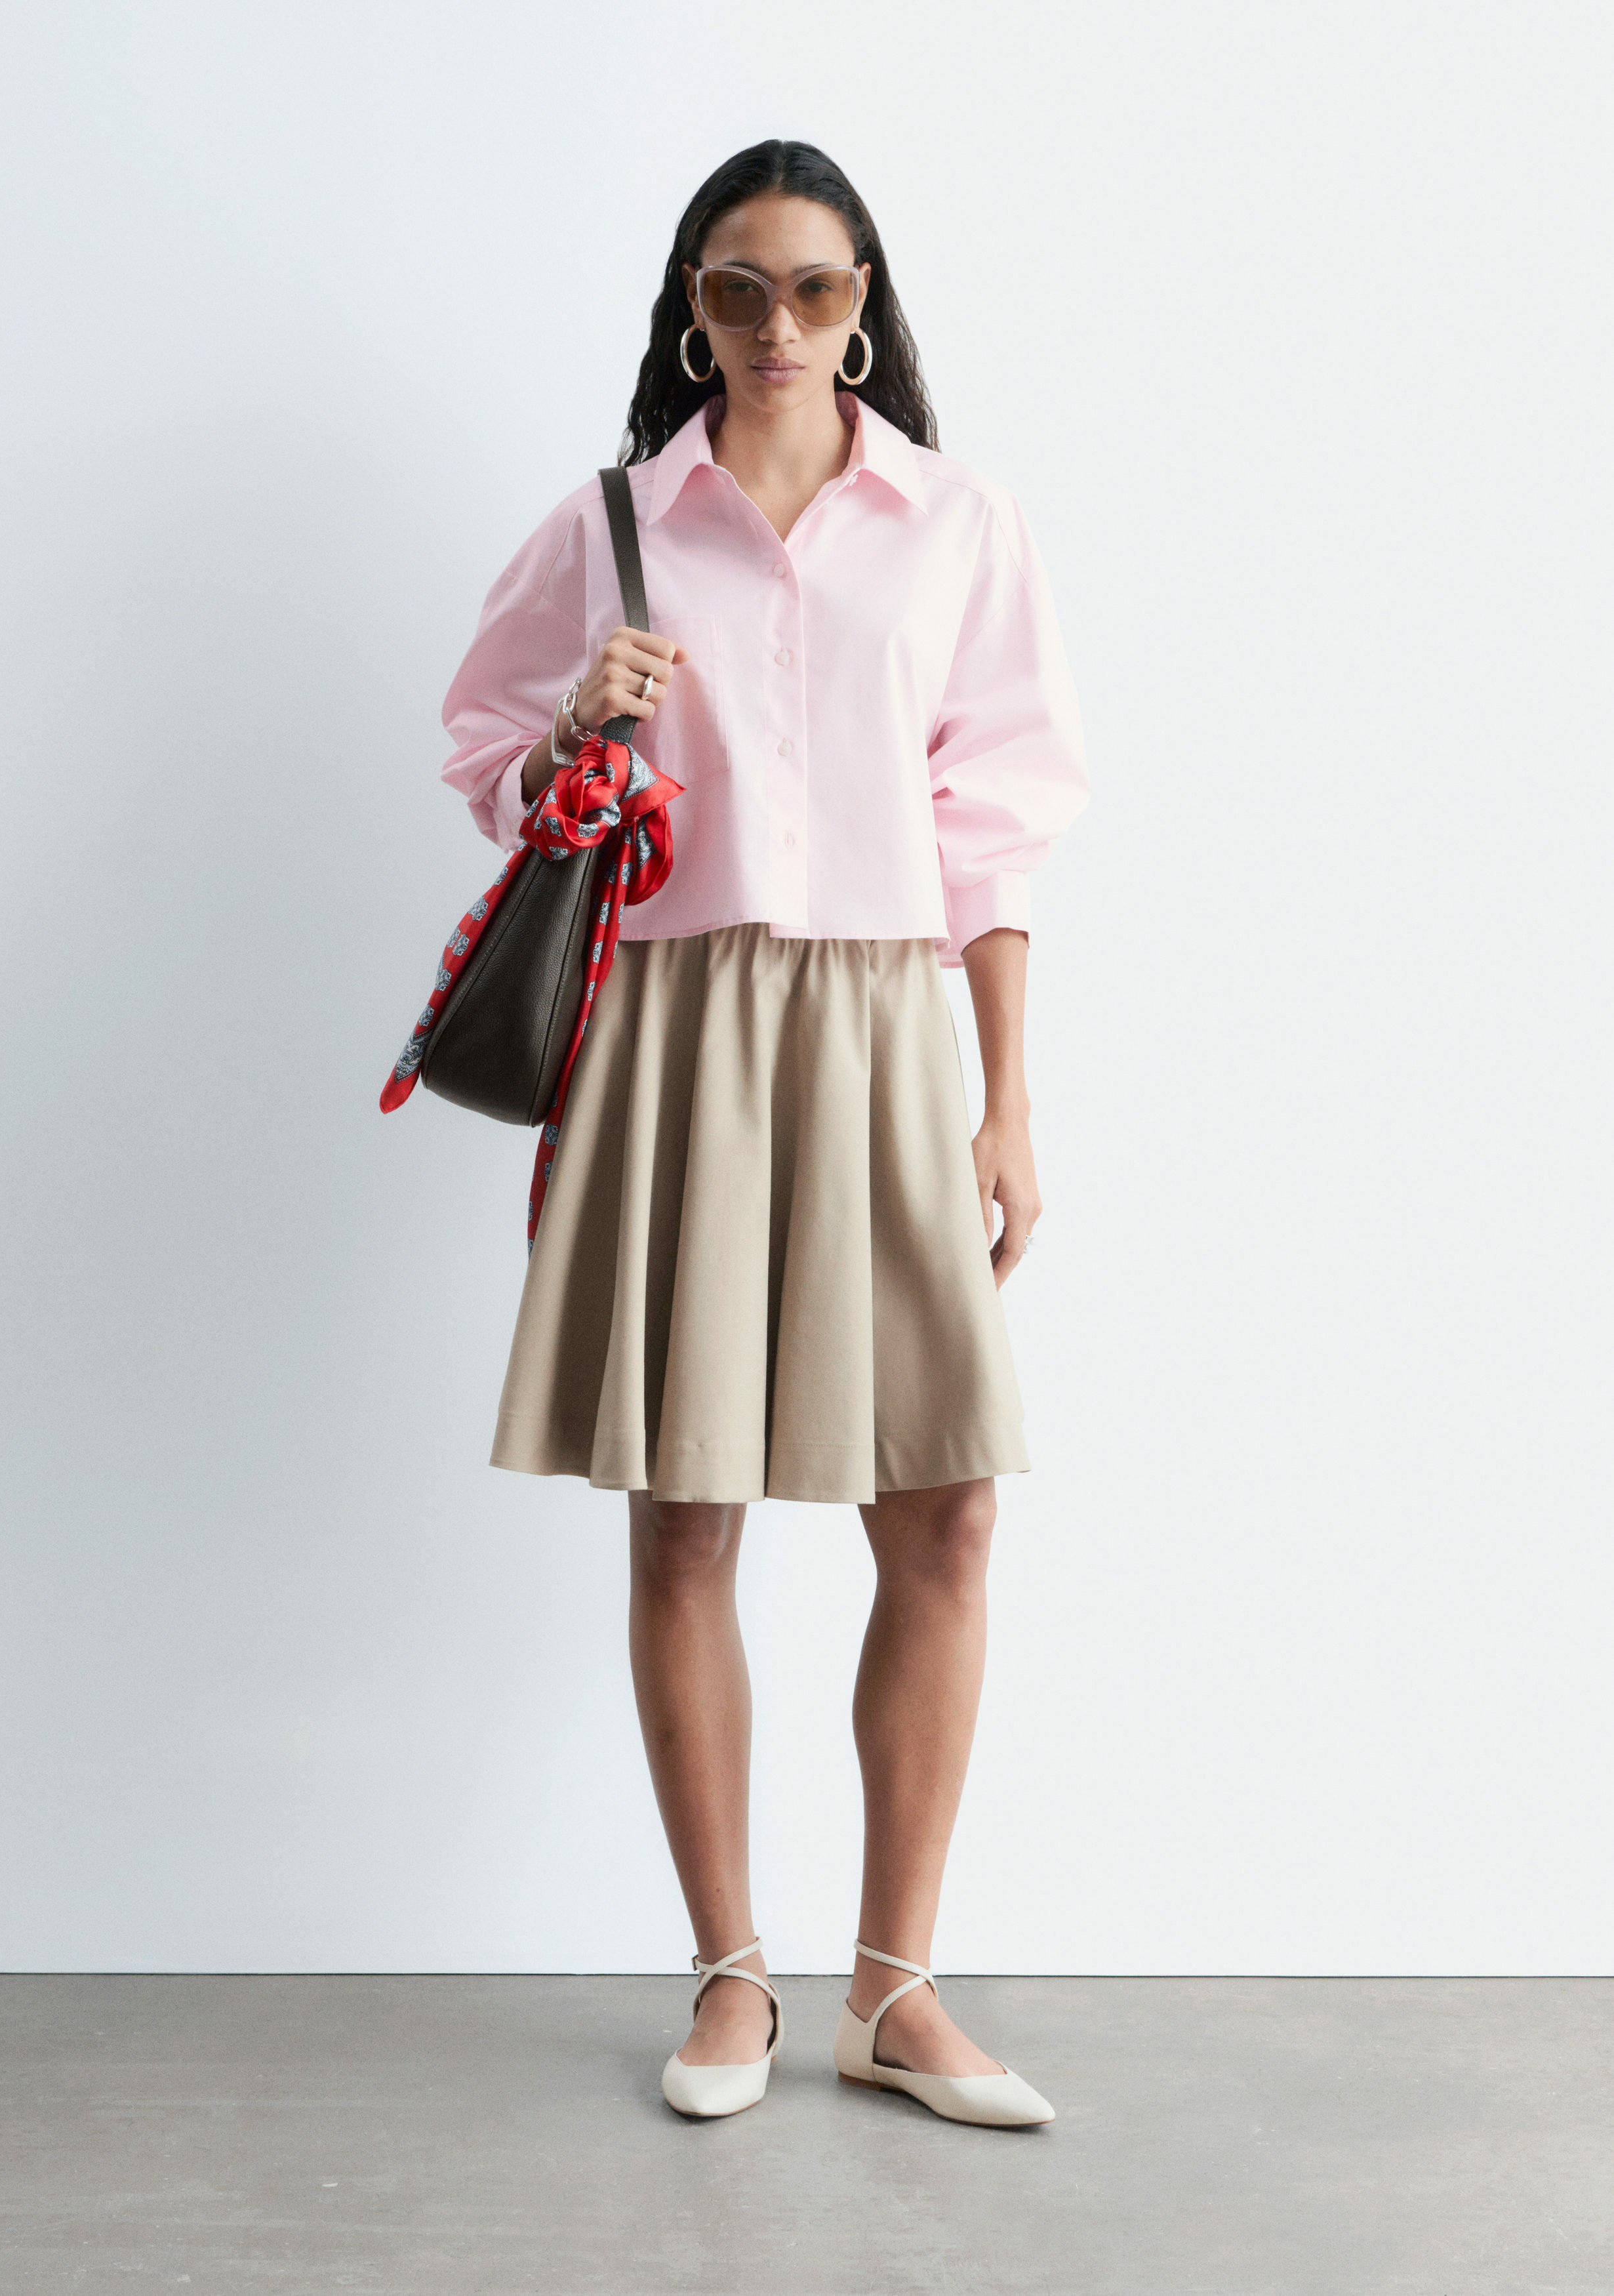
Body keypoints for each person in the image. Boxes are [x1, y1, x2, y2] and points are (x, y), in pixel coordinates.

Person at [439, 139, 1089, 2126]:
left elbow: (994, 820)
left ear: (863, 303)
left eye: (815, 286)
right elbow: (483, 752)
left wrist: (1007, 1094)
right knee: (686, 1500)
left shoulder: (955, 521)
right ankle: (732, 1977)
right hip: (681, 1023)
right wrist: (574, 723)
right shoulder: (615, 525)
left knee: (949, 1504)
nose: (779, 322)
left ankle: (895, 1987)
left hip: (890, 1022)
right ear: (692, 308)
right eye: (739, 287)